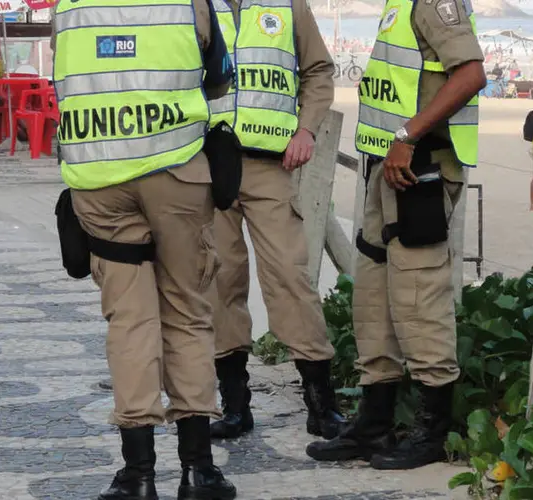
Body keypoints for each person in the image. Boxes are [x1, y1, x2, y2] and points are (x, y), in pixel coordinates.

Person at [53, 0, 237, 498]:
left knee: (129, 321)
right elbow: (220, 77)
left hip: (100, 181)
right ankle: (199, 471)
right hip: (175, 172)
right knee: (187, 312)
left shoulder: (68, 6)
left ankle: (137, 475)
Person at [306, 0, 486, 470]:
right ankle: (374, 422)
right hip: (387, 171)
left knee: (417, 296)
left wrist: (407, 136)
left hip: (420, 170)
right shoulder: (398, 5)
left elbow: (471, 75)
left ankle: (431, 429)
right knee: (373, 297)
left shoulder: (432, 4)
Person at [205, 0, 345, 441]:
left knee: (290, 275)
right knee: (220, 279)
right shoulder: (195, 5)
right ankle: (235, 405)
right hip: (208, 166)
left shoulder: (288, 5)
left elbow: (318, 70)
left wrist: (307, 129)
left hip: (272, 165)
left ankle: (321, 404)